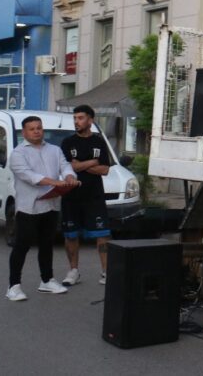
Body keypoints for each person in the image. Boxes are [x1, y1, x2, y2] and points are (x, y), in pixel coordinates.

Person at [6, 116, 79, 301]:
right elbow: (30, 176)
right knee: (22, 245)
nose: (36, 131)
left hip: (51, 204)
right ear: (24, 132)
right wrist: (55, 181)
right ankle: (13, 286)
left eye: (39, 127)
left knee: (47, 245)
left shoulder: (54, 150)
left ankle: (47, 280)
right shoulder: (18, 153)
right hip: (28, 206)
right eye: (32, 129)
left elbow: (65, 166)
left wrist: (70, 177)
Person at [60, 105, 113, 286]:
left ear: (90, 120)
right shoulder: (68, 142)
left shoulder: (99, 142)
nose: (77, 121)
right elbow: (70, 167)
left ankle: (106, 271)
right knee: (71, 235)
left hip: (94, 196)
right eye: (75, 118)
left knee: (103, 234)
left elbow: (105, 169)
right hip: (71, 196)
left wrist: (80, 164)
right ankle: (73, 271)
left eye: (80, 118)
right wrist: (91, 162)